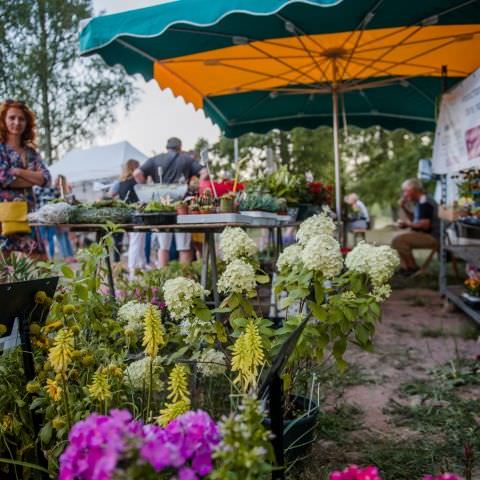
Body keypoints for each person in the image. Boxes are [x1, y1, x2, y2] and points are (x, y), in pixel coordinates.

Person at [134, 137, 207, 267]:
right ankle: (183, 280)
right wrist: (199, 188)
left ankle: (163, 278)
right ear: (180, 147)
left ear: (166, 147)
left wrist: (147, 187)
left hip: (161, 207)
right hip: (181, 207)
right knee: (184, 246)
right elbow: (205, 172)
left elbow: (137, 173)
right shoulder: (186, 159)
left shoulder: (155, 160)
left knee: (163, 246)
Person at [0, 99, 51, 258]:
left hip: (30, 215)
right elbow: (4, 178)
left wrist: (18, 171)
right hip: (5, 216)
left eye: (21, 119)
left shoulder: (31, 152)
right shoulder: (1, 148)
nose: (17, 122)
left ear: (27, 122)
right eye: (12, 118)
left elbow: (46, 179)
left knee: (42, 265)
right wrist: (31, 177)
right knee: (3, 268)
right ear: (4, 120)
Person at [392, 178, 438, 276]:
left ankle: (412, 268)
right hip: (424, 234)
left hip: (433, 236)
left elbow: (425, 225)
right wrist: (403, 207)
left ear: (413, 190)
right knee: (397, 240)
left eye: (405, 191)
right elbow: (414, 220)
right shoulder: (420, 201)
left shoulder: (425, 201)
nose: (404, 194)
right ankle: (406, 268)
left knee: (399, 240)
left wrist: (407, 224)